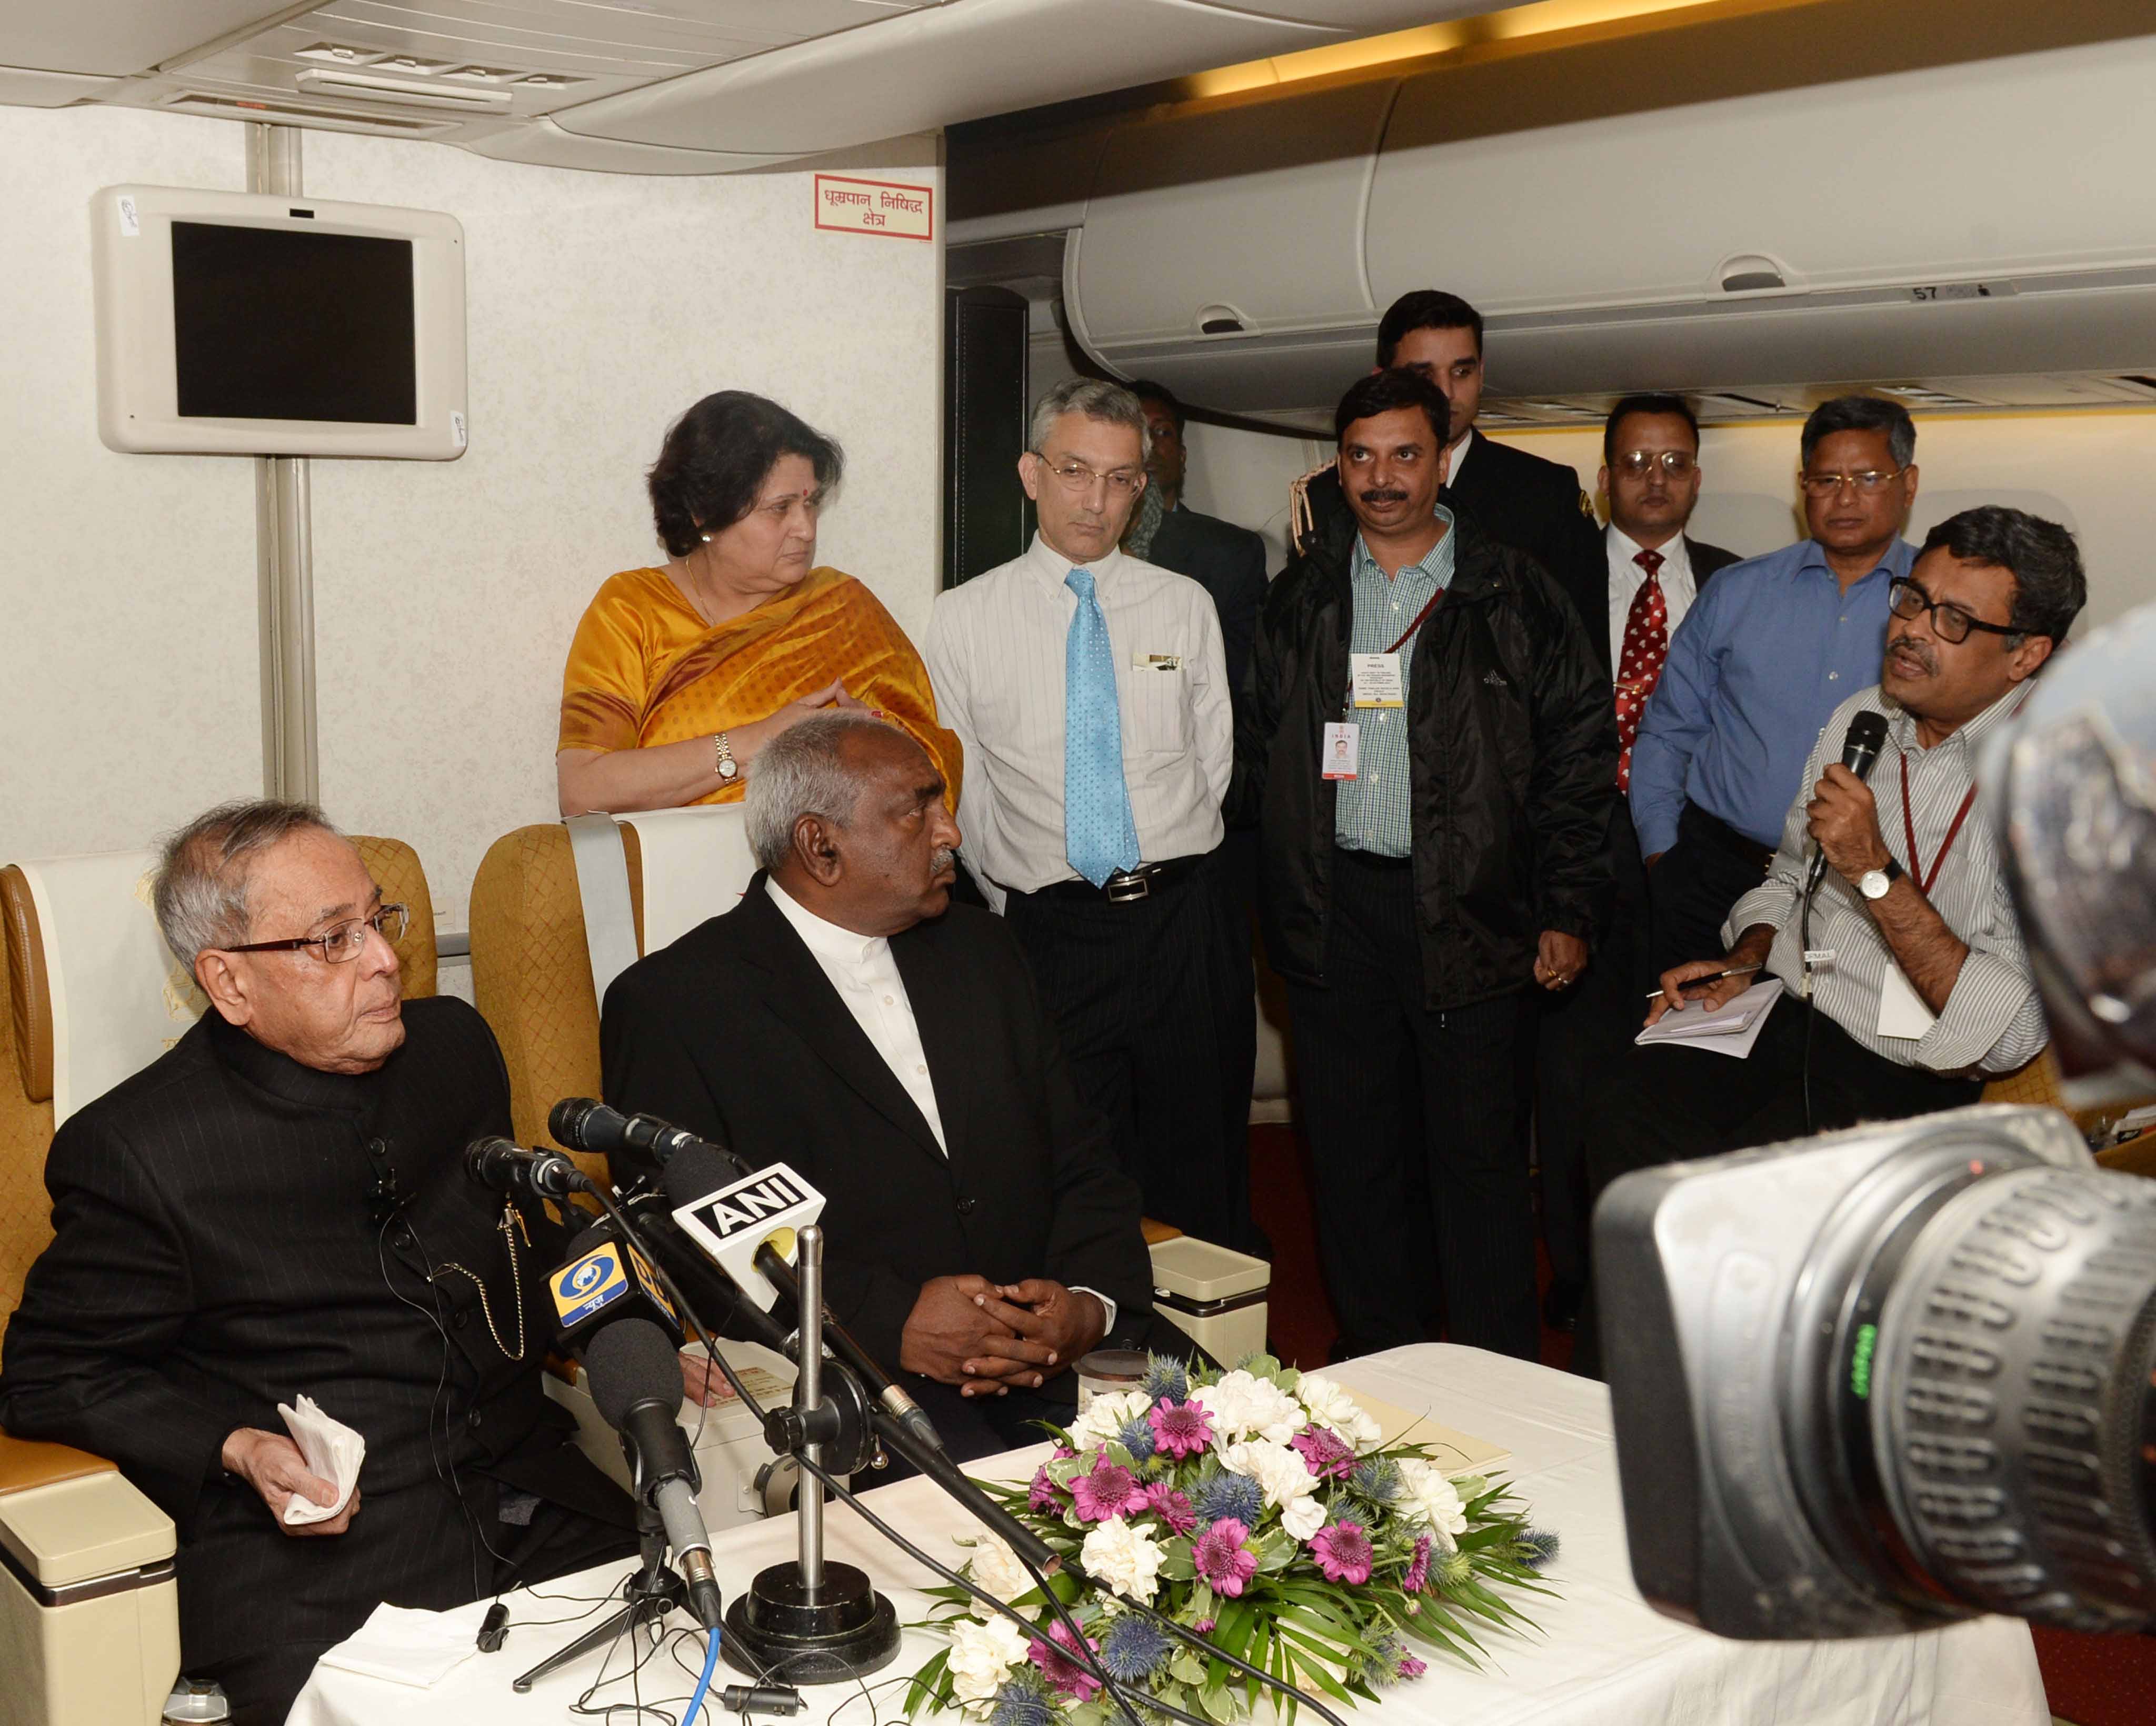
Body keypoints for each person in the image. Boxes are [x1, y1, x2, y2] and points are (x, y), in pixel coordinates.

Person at [0, 801, 674, 1724]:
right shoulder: (143, 1153)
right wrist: (236, 1449)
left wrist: (628, 1325)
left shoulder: (453, 1049)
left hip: (538, 1500)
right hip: (324, 1566)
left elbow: (525, 1239)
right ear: (229, 985)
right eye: (332, 940)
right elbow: (51, 1374)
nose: (385, 958)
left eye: (377, 919)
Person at [1579, 507, 2084, 1377]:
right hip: (1796, 1005)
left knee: (1748, 1192)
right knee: (1623, 1106)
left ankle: (1751, 1427)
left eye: (1953, 621)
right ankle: (1621, 1385)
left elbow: (2001, 1033)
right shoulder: (1862, 718)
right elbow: (1787, 876)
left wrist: (1877, 871)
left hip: (1919, 1068)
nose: (1912, 631)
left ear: (2026, 655)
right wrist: (1746, 957)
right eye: (1913, 599)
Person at [600, 713, 1186, 1462]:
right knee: (1006, 1560)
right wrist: (891, 1321)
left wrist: (1087, 1305)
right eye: (919, 809)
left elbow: (1083, 1159)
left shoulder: (987, 950)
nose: (952, 834)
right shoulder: (677, 1004)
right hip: (862, 1381)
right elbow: (693, 1246)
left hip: (1067, 1351)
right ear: (822, 845)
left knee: (1290, 1484)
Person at [1238, 367, 1616, 1362]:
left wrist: (1567, 907)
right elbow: (1256, 757)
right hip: (1337, 914)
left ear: (1442, 459)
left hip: (1473, 911)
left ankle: (1494, 1374)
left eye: (1405, 454)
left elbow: (1580, 760)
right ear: (1337, 468)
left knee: (1478, 1167)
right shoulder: (1302, 599)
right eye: (1360, 457)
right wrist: (1275, 900)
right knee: (1354, 1165)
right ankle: (1378, 1366)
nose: (1382, 477)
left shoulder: (1514, 592)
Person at [923, 379, 1259, 1253]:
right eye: (1075, 472)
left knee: (1205, 1170)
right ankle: (1095, 1379)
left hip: (1187, 922)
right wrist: (1022, 914)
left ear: (1140, 489)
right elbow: (965, 792)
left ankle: (1215, 1385)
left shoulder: (1183, 604)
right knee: (1070, 1171)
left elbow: (1212, 760)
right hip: (1052, 933)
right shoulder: (961, 621)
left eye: (1119, 479)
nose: (1096, 500)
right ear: (1032, 475)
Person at [1533, 395, 1740, 1332]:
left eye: (1674, 463)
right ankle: (1579, 1283)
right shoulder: (1547, 576)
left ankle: (1678, 1280)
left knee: (1682, 1075)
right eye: (1636, 462)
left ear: (1696, 476)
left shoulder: (1743, 585)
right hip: (1574, 853)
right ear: (1604, 476)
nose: (1655, 480)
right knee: (1571, 1084)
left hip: (1694, 859)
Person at [557, 390, 960, 817]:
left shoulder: (843, 609)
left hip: (824, 877)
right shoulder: (632, 611)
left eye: (811, 503)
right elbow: (583, 790)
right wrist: (756, 742)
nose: (805, 528)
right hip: (665, 875)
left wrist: (873, 739)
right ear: (703, 514)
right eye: (779, 509)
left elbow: (930, 767)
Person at [1630, 395, 1922, 972]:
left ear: (1907, 484)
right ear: (1801, 486)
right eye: (1824, 479)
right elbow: (1668, 729)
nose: (1843, 497)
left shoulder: (1935, 606)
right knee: (1691, 1051)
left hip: (1859, 891)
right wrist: (1662, 854)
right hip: (1715, 875)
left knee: (1819, 1058)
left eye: (1867, 478)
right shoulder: (1735, 592)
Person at [1288, 290, 1605, 640]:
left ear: (1481, 373)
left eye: (1462, 371)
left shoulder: (1544, 494)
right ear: (1382, 380)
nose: (1446, 392)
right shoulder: (1327, 497)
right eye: (1423, 375)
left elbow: (1582, 651)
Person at [1124, 379, 1270, 706]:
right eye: (1136, 433)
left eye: (1162, 432)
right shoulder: (1086, 545)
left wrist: (1135, 665)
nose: (1149, 446)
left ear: (1183, 455)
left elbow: (1229, 672)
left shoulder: (1231, 552)